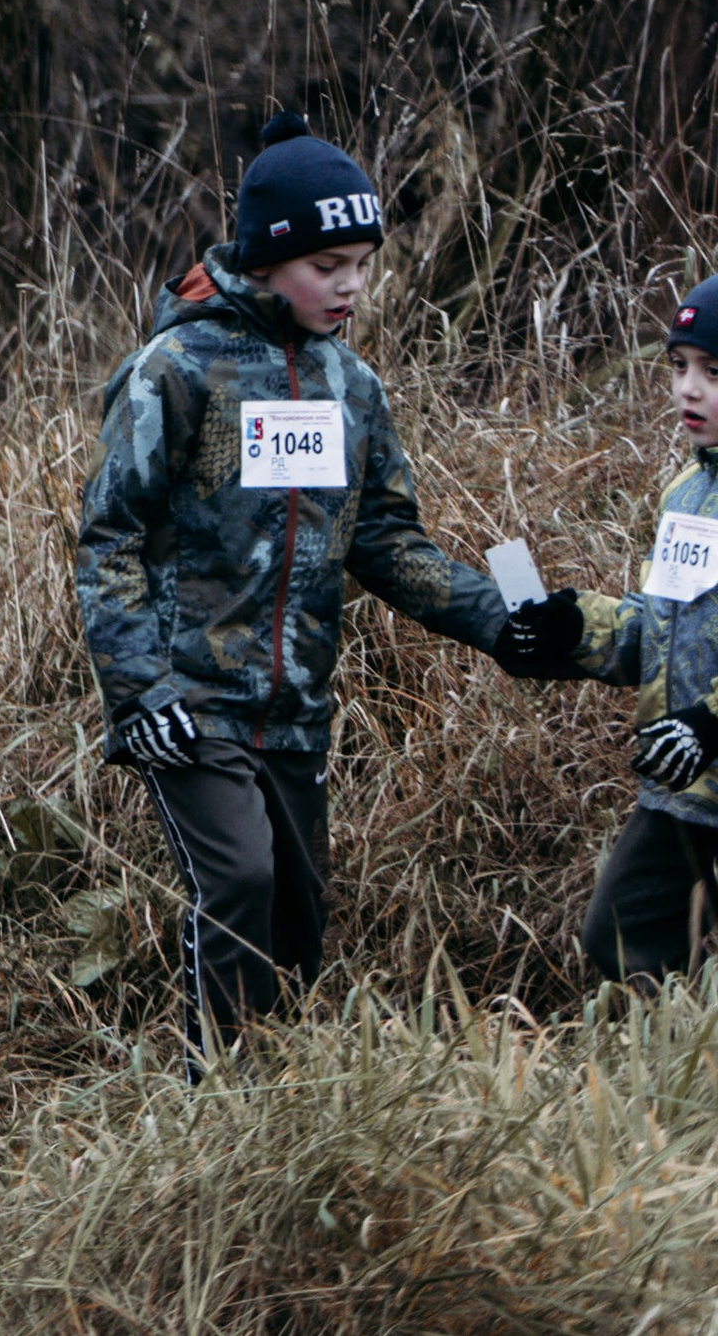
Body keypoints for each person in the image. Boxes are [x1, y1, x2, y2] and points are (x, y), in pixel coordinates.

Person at [72, 112, 508, 1060]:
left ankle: (283, 1115)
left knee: (301, 922)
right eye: (327, 265)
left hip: (297, 708)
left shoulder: (353, 388)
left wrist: (504, 622)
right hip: (190, 706)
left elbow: (388, 540)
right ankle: (214, 1105)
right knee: (238, 884)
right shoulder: (175, 371)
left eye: (362, 262)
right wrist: (139, 691)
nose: (350, 284)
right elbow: (109, 536)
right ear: (267, 258)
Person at [492, 275, 718, 986]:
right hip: (683, 791)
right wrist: (569, 628)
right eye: (679, 366)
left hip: (700, 752)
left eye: (715, 373)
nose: (689, 389)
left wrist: (709, 726)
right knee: (617, 936)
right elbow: (658, 626)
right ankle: (663, 1086)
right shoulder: (685, 492)